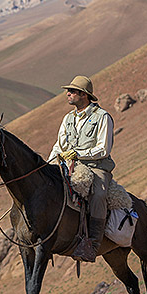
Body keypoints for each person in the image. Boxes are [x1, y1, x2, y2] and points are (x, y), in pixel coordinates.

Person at [47, 75, 115, 262]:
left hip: (96, 167)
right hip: (69, 165)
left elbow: (104, 148)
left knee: (99, 194)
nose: (68, 94)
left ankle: (93, 244)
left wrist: (78, 154)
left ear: (84, 95)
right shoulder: (68, 118)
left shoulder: (102, 117)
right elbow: (59, 146)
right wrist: (48, 165)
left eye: (72, 91)